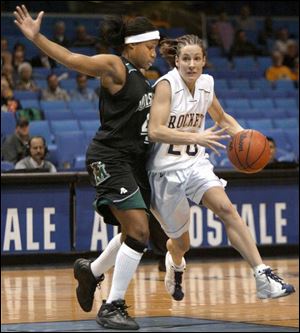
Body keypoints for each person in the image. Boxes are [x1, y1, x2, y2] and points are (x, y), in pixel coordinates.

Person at [13, 5, 159, 330]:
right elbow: (71, 59)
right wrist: (37, 38)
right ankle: (112, 306)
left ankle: (90, 272)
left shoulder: (147, 79)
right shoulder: (115, 66)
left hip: (133, 161)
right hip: (109, 157)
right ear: (132, 45)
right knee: (138, 230)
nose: (154, 53)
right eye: (150, 47)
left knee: (131, 233)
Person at [147, 34, 295, 302]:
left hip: (194, 164)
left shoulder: (206, 84)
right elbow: (155, 131)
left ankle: (262, 276)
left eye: (196, 58)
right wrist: (196, 137)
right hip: (164, 172)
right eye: (186, 59)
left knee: (227, 209)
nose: (191, 64)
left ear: (204, 60)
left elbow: (221, 117)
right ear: (177, 61)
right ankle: (175, 261)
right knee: (182, 243)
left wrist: (245, 136)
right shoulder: (166, 86)